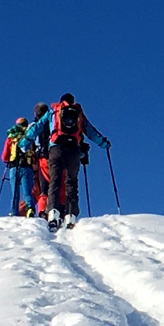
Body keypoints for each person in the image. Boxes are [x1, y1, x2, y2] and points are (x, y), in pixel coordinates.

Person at [21, 93, 109, 230]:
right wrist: (103, 143)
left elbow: (37, 127)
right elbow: (90, 131)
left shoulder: (54, 111)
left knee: (54, 182)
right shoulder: (78, 113)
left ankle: (53, 214)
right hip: (74, 151)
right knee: (71, 183)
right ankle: (70, 216)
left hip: (56, 150)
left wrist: (24, 142)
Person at [0, 117, 35, 217]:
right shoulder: (29, 135)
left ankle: (14, 212)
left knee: (15, 192)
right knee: (27, 191)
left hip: (14, 167)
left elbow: (4, 156)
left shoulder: (11, 137)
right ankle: (30, 208)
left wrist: (8, 160)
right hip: (27, 167)